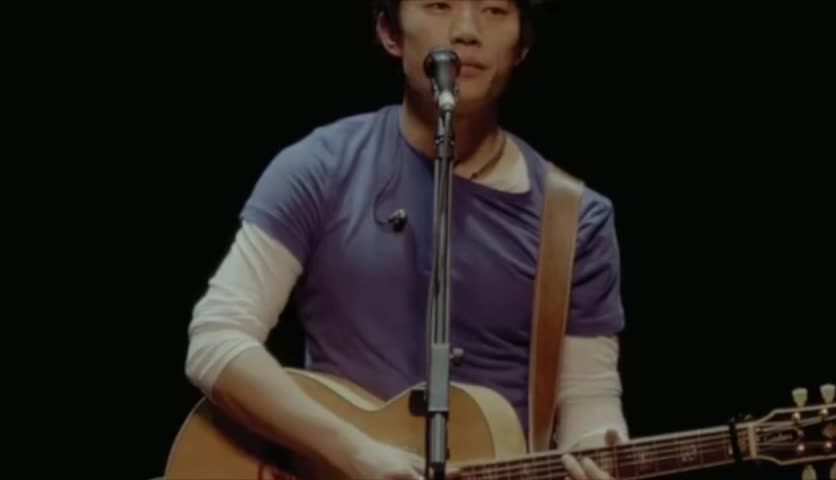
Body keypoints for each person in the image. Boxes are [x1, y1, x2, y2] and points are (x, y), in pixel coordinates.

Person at [184, 1, 629, 479]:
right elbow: (217, 338)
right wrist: (353, 454)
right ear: (389, 32)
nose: (466, 30)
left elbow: (588, 403)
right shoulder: (321, 168)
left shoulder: (574, 219)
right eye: (439, 5)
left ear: (523, 44)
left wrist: (599, 450)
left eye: (494, 10)